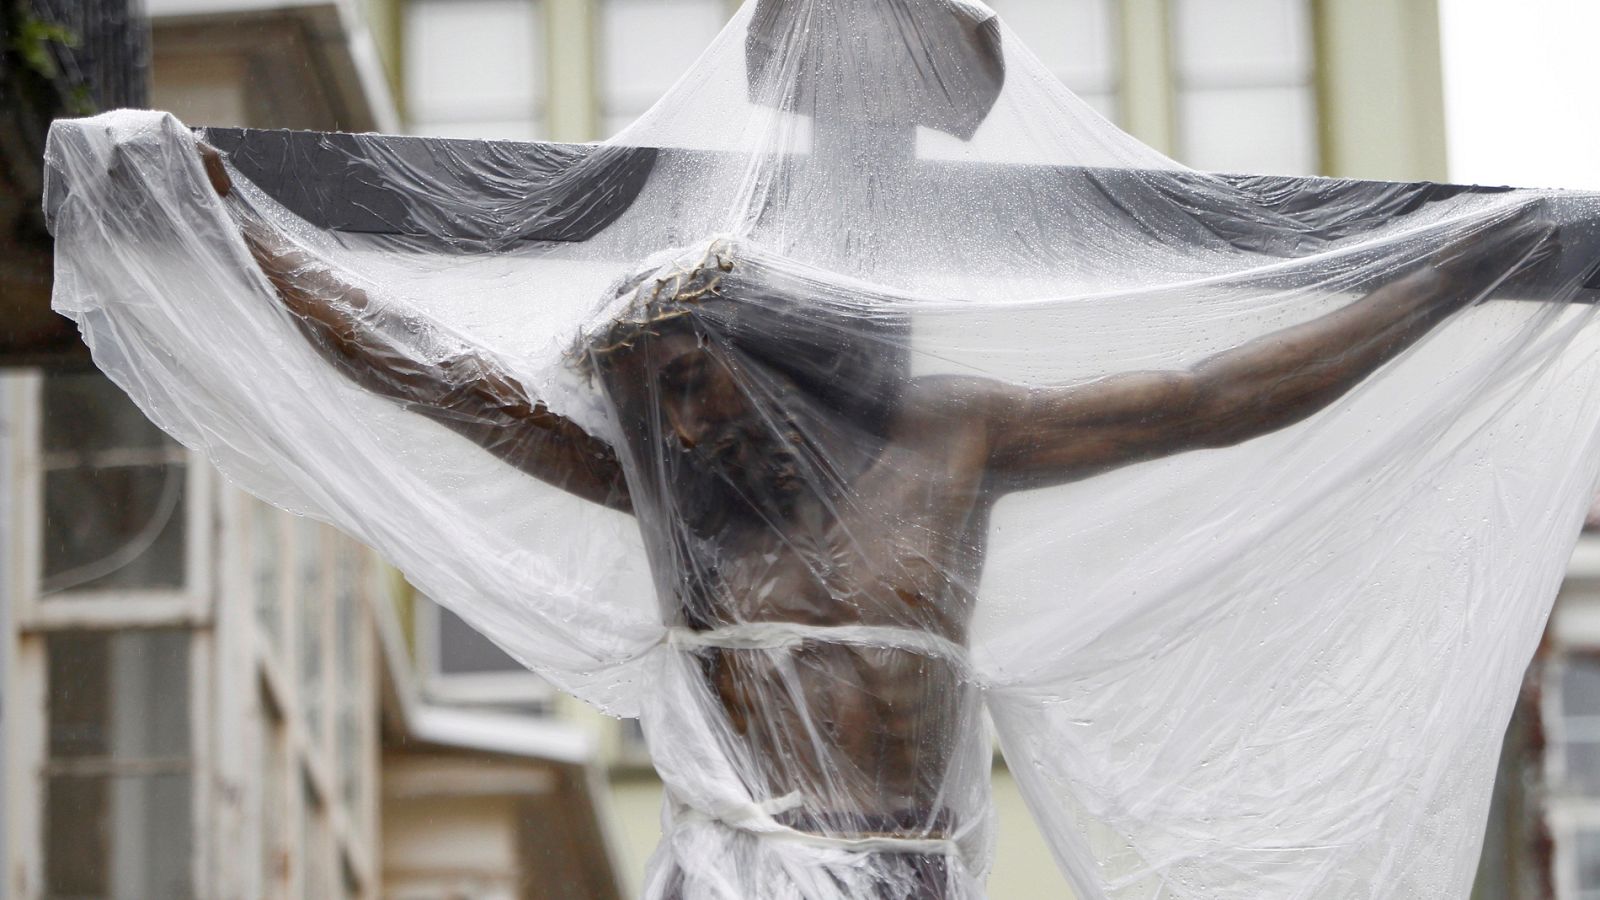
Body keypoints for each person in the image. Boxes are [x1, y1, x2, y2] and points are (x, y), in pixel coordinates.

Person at [198, 138, 1555, 897]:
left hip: (912, 873)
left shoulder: (942, 442)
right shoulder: (684, 505)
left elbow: (1213, 396)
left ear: (764, 352)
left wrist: (1442, 280)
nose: (675, 429)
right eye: (647, 401)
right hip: (745, 875)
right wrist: (236, 241)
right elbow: (435, 380)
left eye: (689, 384)